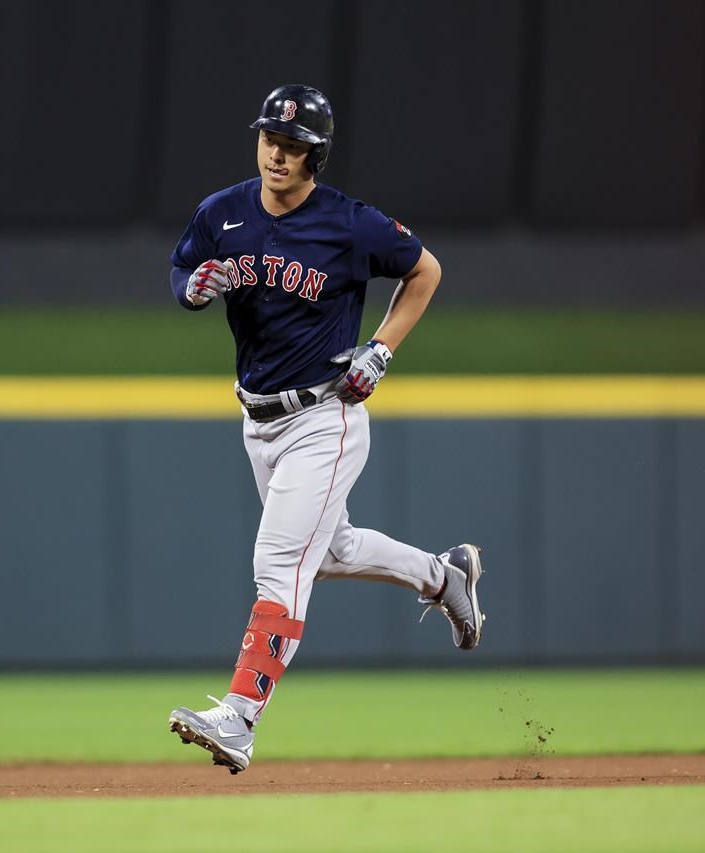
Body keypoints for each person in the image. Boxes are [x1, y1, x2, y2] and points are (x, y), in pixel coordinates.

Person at [165, 85, 484, 774]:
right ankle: (444, 575)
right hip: (257, 420)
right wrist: (192, 288)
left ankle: (241, 717)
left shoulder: (348, 223)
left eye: (293, 146)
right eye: (270, 140)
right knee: (329, 549)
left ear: (317, 155)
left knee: (278, 563)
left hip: (324, 415)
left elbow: (425, 269)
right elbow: (182, 268)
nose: (277, 154)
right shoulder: (223, 212)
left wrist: (383, 346)